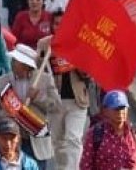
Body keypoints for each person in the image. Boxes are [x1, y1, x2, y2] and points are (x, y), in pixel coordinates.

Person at [0, 45, 59, 163]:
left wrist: (39, 98)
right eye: (13, 60)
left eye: (16, 61)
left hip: (36, 140)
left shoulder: (44, 80)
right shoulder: (0, 82)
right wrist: (8, 115)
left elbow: (56, 106)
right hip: (11, 142)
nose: (12, 63)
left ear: (26, 66)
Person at [36, 14, 89, 170]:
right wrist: (48, 57)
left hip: (77, 99)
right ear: (52, 26)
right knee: (58, 141)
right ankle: (62, 167)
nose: (60, 27)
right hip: (55, 100)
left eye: (63, 23)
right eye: (57, 23)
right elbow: (37, 69)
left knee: (73, 139)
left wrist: (74, 62)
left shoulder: (80, 42)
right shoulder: (45, 44)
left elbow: (88, 73)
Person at [78, 91, 136, 170]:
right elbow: (85, 165)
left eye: (123, 108)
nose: (120, 112)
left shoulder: (135, 133)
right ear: (105, 111)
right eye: (116, 109)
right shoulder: (95, 134)